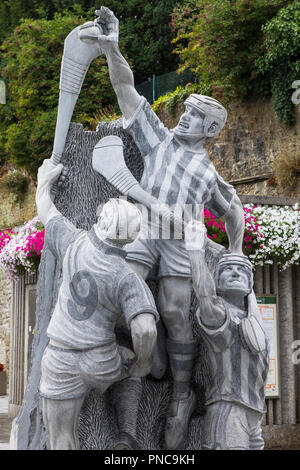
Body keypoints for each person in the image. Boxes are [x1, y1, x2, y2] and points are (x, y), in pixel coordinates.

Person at [80, 6, 246, 449]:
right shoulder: (158, 137)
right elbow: (126, 89)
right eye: (186, 111)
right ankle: (139, 357)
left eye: (194, 116)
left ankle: (179, 392)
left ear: (209, 129)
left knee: (176, 313)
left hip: (181, 238)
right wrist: (112, 49)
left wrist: (235, 249)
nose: (184, 117)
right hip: (144, 227)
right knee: (127, 291)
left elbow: (233, 211)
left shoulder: (210, 173)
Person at [36, 159, 158, 450]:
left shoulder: (73, 243)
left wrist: (45, 179)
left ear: (101, 222)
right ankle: (126, 430)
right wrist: (142, 363)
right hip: (102, 361)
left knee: (61, 437)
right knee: (129, 360)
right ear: (129, 237)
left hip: (61, 359)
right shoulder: (127, 276)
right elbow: (145, 330)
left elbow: (45, 208)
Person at [185, 219, 270, 450]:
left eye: (242, 270)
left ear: (250, 282)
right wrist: (195, 253)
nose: (235, 273)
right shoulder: (220, 314)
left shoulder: (253, 318)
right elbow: (204, 295)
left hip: (254, 411)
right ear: (218, 281)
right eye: (228, 270)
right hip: (228, 408)